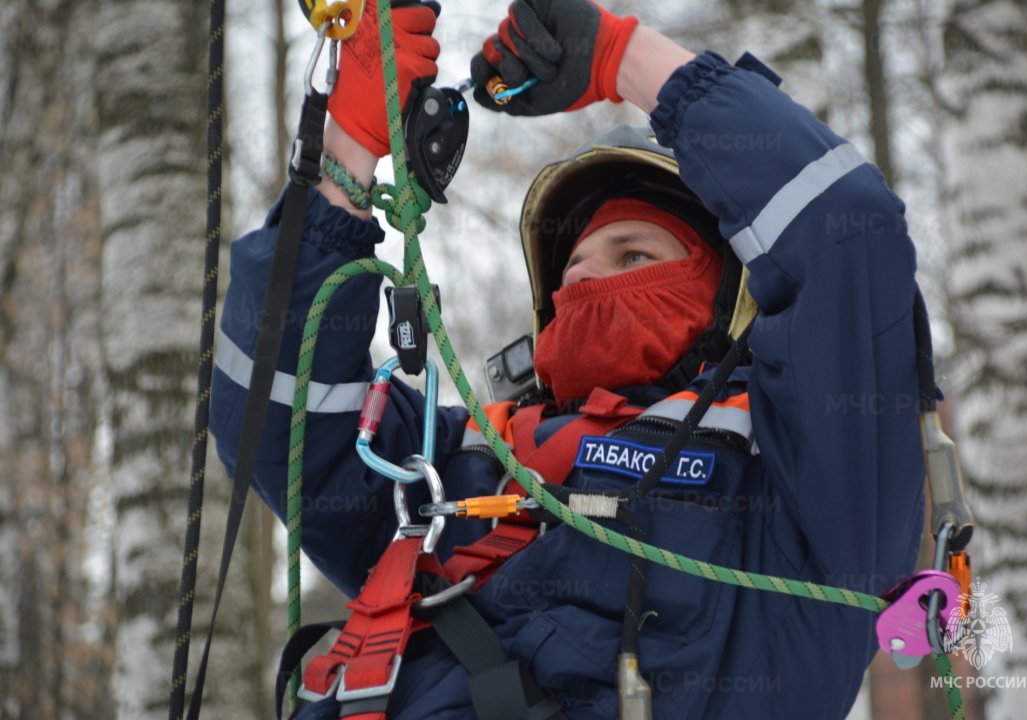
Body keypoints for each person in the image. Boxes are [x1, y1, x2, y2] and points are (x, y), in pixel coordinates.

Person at [210, 0, 926, 717]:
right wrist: (346, 161)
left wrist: (625, 59)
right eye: (572, 264)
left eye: (633, 256)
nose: (582, 278)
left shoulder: (802, 479)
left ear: (727, 305)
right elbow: (273, 419)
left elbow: (845, 237)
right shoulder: (453, 459)